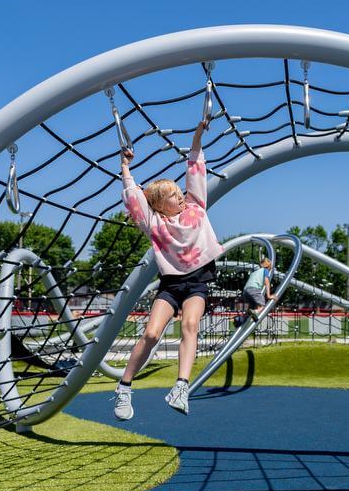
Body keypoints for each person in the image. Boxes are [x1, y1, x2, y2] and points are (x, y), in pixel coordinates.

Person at [114, 121, 224, 420]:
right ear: (160, 204)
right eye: (174, 195)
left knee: (190, 326)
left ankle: (181, 387)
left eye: (179, 193)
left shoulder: (196, 207)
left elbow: (195, 168)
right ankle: (124, 387)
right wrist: (125, 167)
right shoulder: (153, 223)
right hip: (171, 285)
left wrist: (197, 135)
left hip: (199, 282)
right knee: (151, 333)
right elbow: (135, 197)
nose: (180, 196)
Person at [241, 258, 276, 322]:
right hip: (254, 289)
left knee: (252, 307)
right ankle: (255, 312)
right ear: (268, 266)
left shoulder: (255, 272)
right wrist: (269, 295)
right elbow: (267, 282)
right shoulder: (265, 270)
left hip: (246, 291)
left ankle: (242, 319)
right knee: (262, 306)